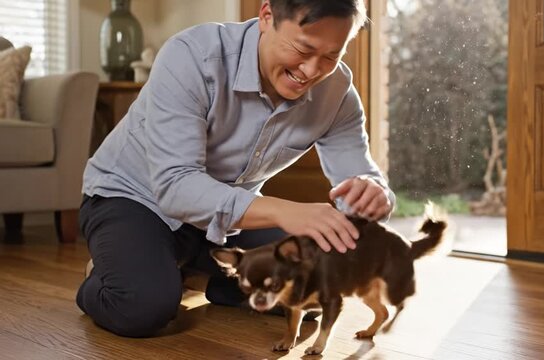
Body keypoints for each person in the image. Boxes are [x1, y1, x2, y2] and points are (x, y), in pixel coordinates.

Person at [77, 0, 395, 338]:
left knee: (314, 287)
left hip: (225, 217)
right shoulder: (192, 57)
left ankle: (204, 276)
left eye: (332, 56)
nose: (312, 71)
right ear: (266, 16)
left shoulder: (337, 93)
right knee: (144, 306)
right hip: (133, 197)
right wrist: (286, 212)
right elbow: (174, 187)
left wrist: (373, 195)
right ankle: (108, 275)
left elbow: (359, 175)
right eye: (304, 48)